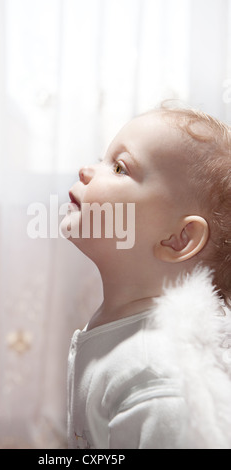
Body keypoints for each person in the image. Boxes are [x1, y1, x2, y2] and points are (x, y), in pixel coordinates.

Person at [62, 104, 231, 449]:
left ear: (178, 239)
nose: (86, 170)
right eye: (102, 157)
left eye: (120, 167)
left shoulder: (159, 383)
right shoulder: (129, 335)